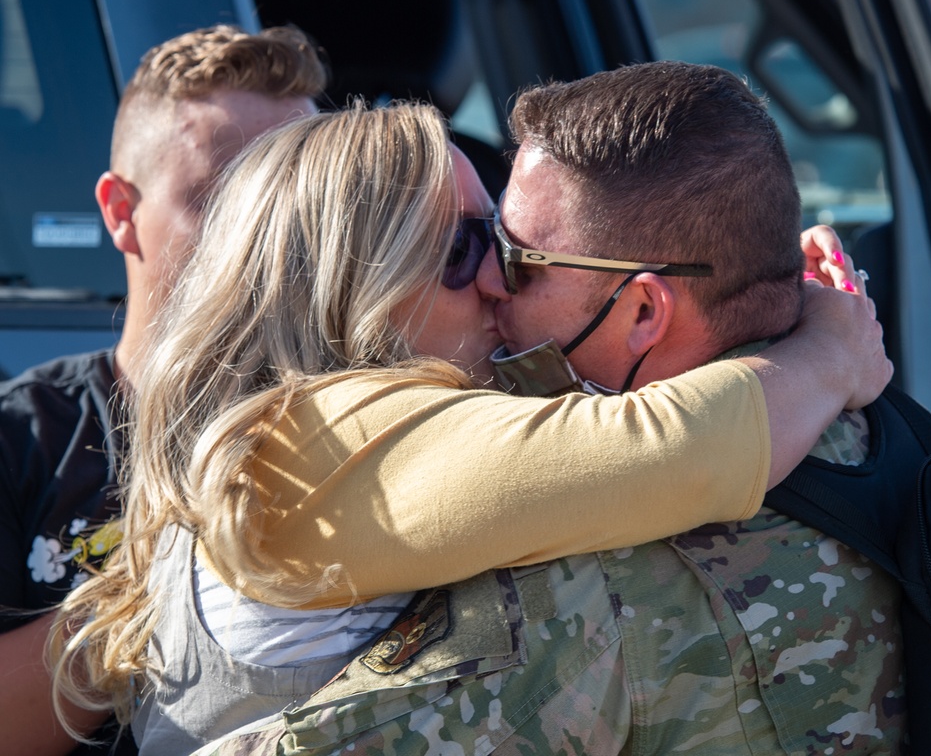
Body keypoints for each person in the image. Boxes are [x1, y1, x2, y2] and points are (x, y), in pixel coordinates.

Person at [51, 101, 887, 754]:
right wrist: (831, 346)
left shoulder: (315, 433)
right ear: (352, 284)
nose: (498, 279)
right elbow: (680, 453)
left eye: (506, 244)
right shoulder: (321, 445)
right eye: (463, 248)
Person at [0, 24, 323, 756]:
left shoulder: (370, 418)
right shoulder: (24, 436)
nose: (266, 240)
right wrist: (167, 585)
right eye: (224, 202)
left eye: (294, 204)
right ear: (120, 211)